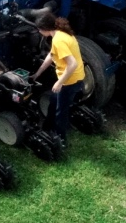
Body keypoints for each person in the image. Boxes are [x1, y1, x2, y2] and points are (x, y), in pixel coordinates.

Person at [31, 12, 85, 147]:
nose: (39, 32)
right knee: (53, 103)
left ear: (44, 28)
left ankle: (60, 140)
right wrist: (37, 73)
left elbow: (72, 64)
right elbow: (51, 55)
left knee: (61, 112)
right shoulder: (61, 33)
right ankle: (47, 128)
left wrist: (59, 82)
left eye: (39, 29)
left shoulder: (58, 40)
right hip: (75, 78)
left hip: (69, 81)